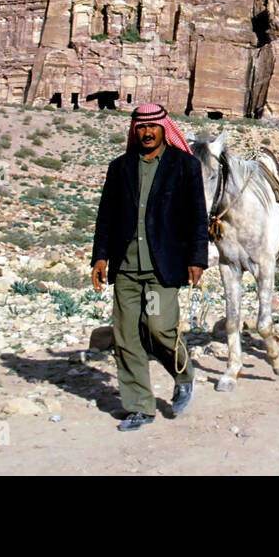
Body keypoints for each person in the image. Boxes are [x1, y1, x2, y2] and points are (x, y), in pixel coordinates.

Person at [91, 102, 208, 431]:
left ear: (163, 128)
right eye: (140, 127)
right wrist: (100, 256)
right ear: (134, 130)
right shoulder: (119, 168)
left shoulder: (184, 166)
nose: (146, 133)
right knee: (126, 336)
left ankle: (183, 374)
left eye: (152, 127)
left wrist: (197, 259)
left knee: (158, 327)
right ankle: (139, 406)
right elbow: (106, 217)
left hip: (162, 266)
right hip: (126, 267)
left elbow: (197, 217)